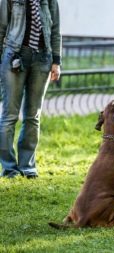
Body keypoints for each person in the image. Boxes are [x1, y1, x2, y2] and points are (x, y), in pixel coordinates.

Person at [0, 0, 61, 178]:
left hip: (43, 58)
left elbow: (56, 29)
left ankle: (27, 166)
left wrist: (56, 61)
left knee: (33, 116)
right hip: (14, 56)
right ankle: (9, 168)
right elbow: (1, 28)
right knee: (9, 116)